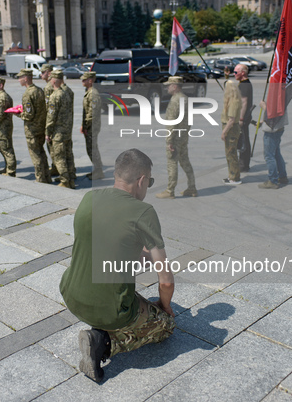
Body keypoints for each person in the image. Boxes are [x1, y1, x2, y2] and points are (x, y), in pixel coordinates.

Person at [59, 148, 175, 383]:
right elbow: (166, 280)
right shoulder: (143, 212)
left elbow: (109, 242)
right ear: (141, 180)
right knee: (166, 326)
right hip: (110, 309)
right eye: (149, 181)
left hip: (71, 295)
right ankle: (102, 343)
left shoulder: (89, 198)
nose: (147, 186)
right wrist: (164, 306)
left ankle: (101, 328)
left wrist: (139, 254)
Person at [155, 76, 197, 199]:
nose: (167, 87)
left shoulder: (175, 100)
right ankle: (192, 187)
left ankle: (170, 190)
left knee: (172, 162)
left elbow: (171, 123)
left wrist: (169, 141)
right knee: (185, 161)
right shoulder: (185, 99)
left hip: (175, 137)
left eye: (169, 85)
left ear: (175, 86)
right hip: (183, 136)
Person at [15, 68, 51, 183]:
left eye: (20, 78)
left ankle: (40, 179)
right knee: (41, 153)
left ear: (26, 79)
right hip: (41, 127)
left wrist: (18, 113)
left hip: (32, 130)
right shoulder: (39, 90)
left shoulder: (28, 93)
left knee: (36, 156)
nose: (19, 80)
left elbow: (29, 115)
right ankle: (47, 177)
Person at [46, 70, 74, 189]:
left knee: (59, 157)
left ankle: (65, 180)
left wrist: (48, 132)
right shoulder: (66, 93)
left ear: (53, 80)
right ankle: (71, 178)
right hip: (66, 130)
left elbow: (51, 117)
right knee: (68, 155)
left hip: (58, 132)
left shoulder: (55, 96)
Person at [257, 100, 288, 189]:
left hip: (272, 129)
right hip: (279, 126)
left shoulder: (276, 92)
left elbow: (273, 113)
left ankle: (273, 180)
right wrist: (263, 122)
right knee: (276, 153)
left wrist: (264, 107)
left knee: (269, 155)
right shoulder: (281, 92)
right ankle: (282, 176)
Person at [80, 71, 104, 180]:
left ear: (90, 80)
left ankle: (99, 171)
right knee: (90, 148)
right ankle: (97, 170)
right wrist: (83, 125)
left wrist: (86, 126)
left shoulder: (93, 93)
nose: (82, 81)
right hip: (89, 126)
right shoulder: (88, 91)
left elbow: (92, 113)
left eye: (84, 79)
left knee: (93, 149)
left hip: (92, 126)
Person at [220, 80, 242, 185]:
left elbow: (231, 120)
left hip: (231, 129)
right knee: (229, 153)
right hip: (230, 128)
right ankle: (231, 175)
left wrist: (224, 132)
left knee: (231, 153)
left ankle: (235, 177)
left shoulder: (234, 101)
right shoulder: (232, 99)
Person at [40, 64, 59, 177]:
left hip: (51, 121)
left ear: (49, 73)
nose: (41, 74)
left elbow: (49, 108)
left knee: (52, 146)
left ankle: (56, 168)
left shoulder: (48, 87)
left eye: (43, 72)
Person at [234, 64, 253, 172]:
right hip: (244, 117)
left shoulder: (245, 85)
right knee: (243, 139)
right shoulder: (243, 84)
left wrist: (241, 118)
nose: (234, 74)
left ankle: (243, 164)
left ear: (243, 73)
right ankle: (244, 163)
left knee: (243, 140)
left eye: (236, 72)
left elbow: (244, 102)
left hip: (243, 118)